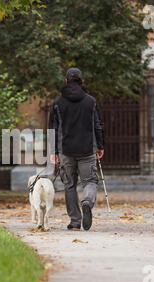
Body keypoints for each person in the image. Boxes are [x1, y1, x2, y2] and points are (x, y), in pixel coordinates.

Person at [48, 67, 104, 231]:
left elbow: (53, 129)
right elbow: (98, 125)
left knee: (69, 184)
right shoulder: (91, 101)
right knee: (90, 181)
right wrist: (100, 145)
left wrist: (54, 151)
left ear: (66, 81)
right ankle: (87, 200)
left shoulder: (58, 102)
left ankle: (75, 221)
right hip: (87, 149)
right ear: (82, 81)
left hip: (66, 150)